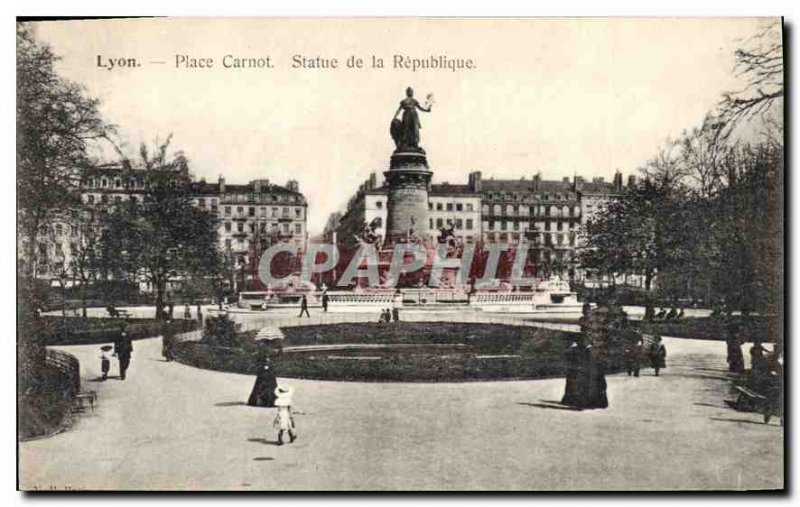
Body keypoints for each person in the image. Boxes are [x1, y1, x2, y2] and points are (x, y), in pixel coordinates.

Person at [561, 340, 584, 406]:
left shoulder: (569, 350)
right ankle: (572, 400)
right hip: (575, 370)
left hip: (571, 370)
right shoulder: (577, 351)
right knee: (574, 385)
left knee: (569, 385)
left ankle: (568, 400)